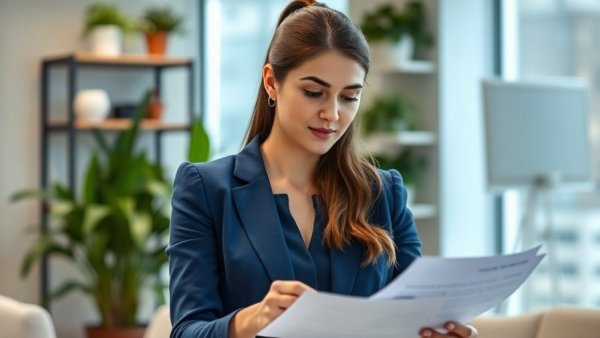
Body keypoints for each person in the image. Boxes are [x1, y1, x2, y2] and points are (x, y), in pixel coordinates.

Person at [167, 1, 478, 338]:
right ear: (272, 81)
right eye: (314, 93)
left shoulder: (383, 194)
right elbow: (186, 330)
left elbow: (414, 315)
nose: (332, 114)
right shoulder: (207, 189)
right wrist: (249, 320)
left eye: (349, 97)